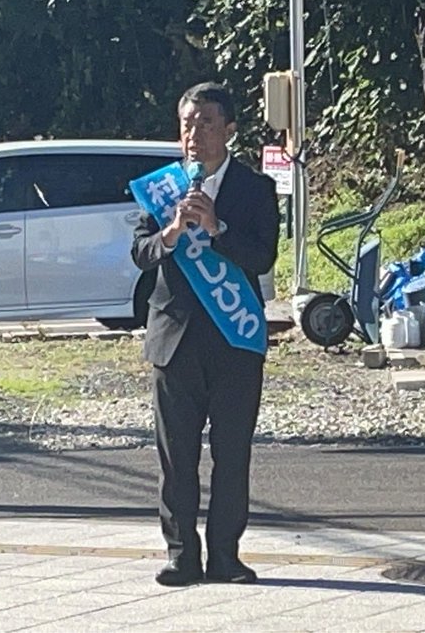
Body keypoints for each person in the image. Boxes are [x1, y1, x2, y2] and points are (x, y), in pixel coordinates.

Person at [131, 82, 280, 586]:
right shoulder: (161, 189)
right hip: (174, 338)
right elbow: (140, 252)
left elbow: (262, 257)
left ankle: (225, 557)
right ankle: (181, 555)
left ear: (229, 130)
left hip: (235, 338)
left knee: (232, 453)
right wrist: (171, 233)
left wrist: (216, 230)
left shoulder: (254, 189)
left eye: (206, 124)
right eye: (187, 124)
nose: (195, 135)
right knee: (177, 456)